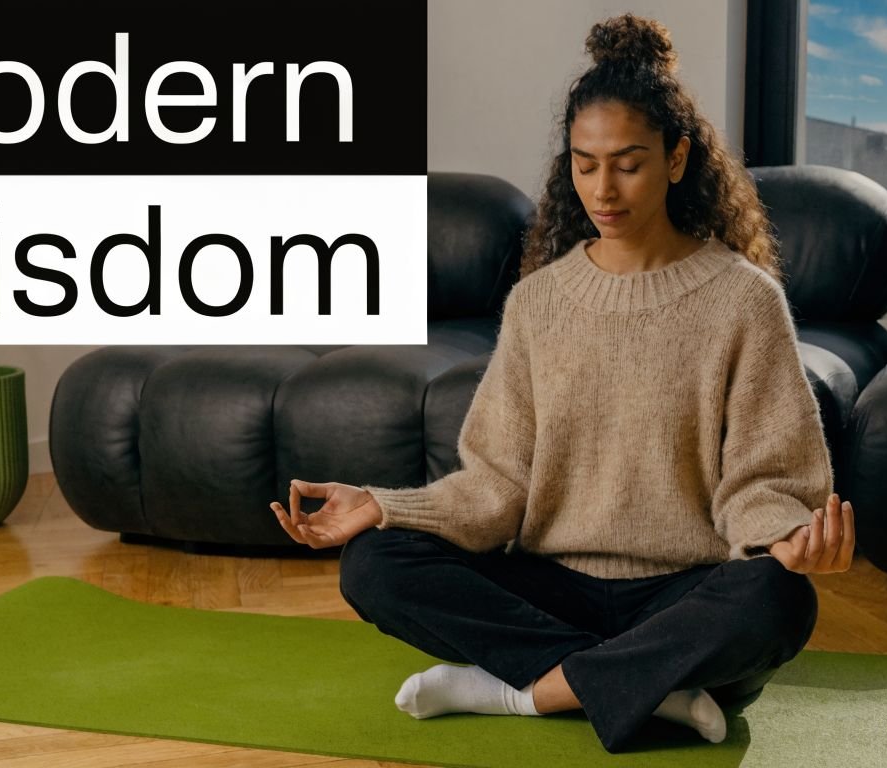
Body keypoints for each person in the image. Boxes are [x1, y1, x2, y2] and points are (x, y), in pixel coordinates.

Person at [270, 13, 855, 754]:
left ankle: (522, 690)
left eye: (627, 163)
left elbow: (763, 478)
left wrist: (787, 538)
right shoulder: (539, 303)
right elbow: (494, 486)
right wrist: (382, 505)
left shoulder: (743, 300)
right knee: (375, 563)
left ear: (678, 160)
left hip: (684, 595)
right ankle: (646, 688)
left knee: (778, 599)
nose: (602, 189)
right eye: (584, 164)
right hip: (553, 586)